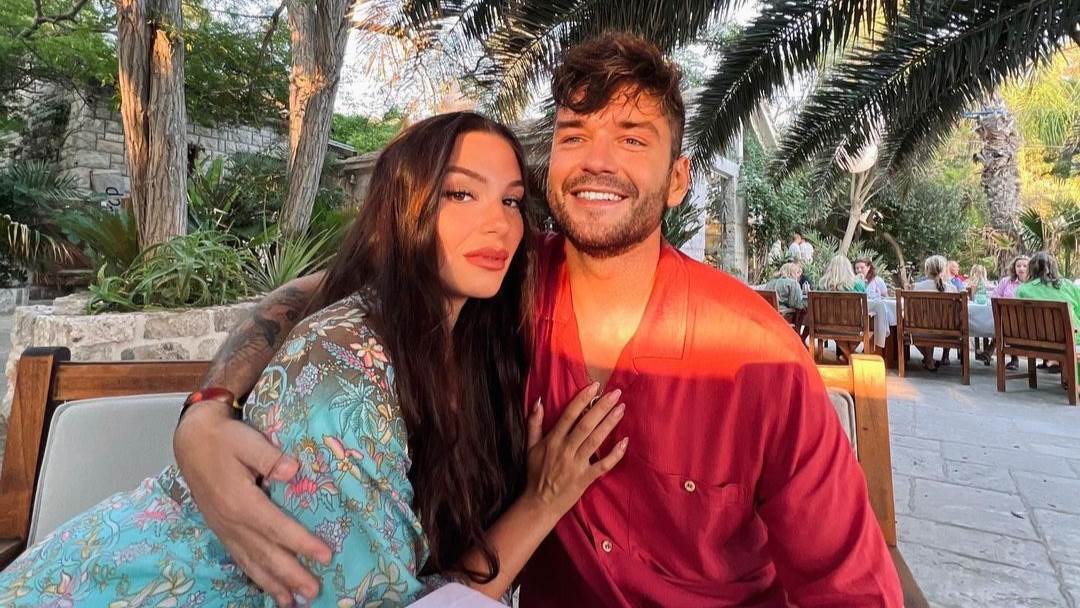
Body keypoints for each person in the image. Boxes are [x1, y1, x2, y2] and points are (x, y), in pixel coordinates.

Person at [171, 33, 901, 607]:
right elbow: (326, 292)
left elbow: (851, 586)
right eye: (574, 134)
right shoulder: (504, 277)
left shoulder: (756, 357)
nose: (596, 161)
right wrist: (206, 411)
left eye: (633, 138)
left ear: (678, 178)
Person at [0, 113, 629, 606]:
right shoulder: (342, 372)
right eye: (459, 193)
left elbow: (313, 287)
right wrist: (542, 501)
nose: (498, 223)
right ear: (399, 210)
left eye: (512, 201)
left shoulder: (472, 327)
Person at [1017, 251, 1080, 375]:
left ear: (1031, 269)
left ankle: (1064, 372)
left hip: (1037, 339)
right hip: (1070, 337)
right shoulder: (1069, 286)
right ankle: (1073, 379)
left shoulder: (1022, 290)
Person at [911, 255, 959, 370]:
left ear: (927, 270)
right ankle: (930, 361)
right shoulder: (951, 289)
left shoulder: (916, 287)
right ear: (943, 270)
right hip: (947, 332)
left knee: (912, 330)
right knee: (930, 326)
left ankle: (929, 360)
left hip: (920, 330)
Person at [990, 255, 1029, 370]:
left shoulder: (1033, 284)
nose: (1021, 268)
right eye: (1018, 266)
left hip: (1028, 320)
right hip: (1008, 317)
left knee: (1009, 325)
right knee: (1007, 324)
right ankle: (1013, 358)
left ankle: (989, 350)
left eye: (1025, 266)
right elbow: (995, 296)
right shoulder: (1006, 281)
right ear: (1014, 268)